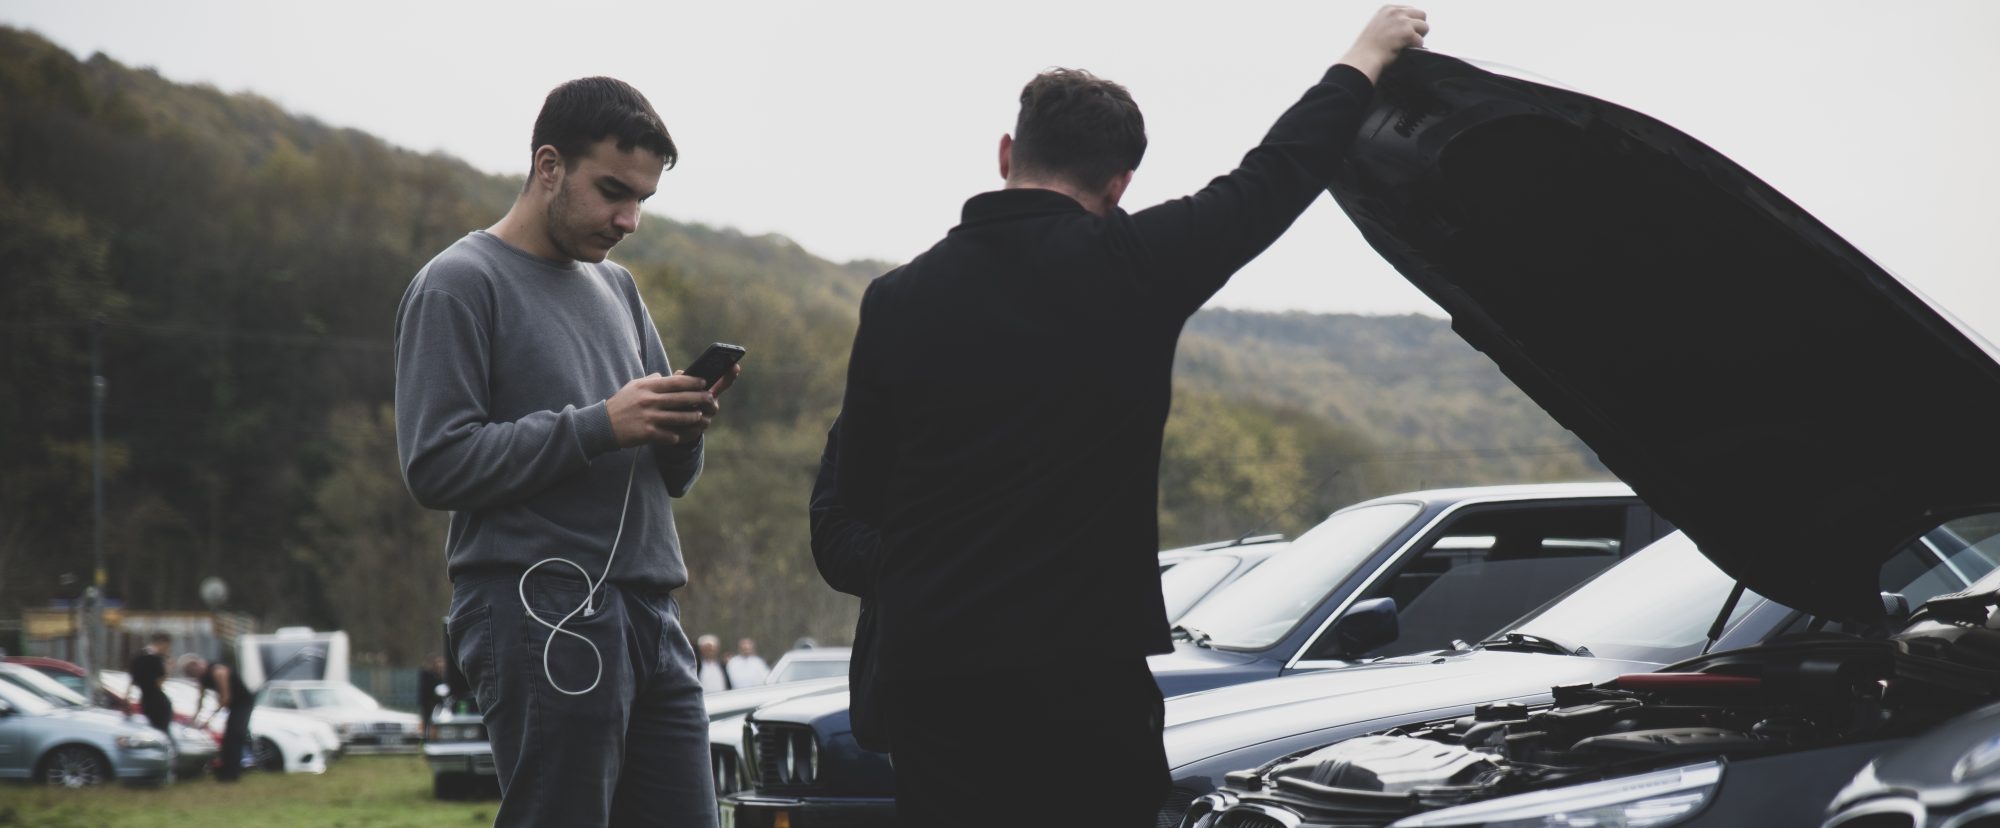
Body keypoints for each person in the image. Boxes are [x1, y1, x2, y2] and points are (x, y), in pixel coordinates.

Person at [823, 8, 1428, 826]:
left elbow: (852, 500)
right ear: (1119, 187)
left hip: (933, 683)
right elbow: (1277, 173)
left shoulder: (894, 299)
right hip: (1081, 680)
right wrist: (1364, 56)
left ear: (1006, 154)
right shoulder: (1134, 263)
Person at [394, 76, 739, 827]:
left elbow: (672, 477)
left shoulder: (620, 290)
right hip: (539, 609)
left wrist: (683, 426)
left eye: (642, 199)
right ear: (548, 166)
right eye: (614, 191)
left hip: (653, 613)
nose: (630, 219)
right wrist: (600, 425)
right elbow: (435, 464)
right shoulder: (457, 283)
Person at [190, 655, 255, 782]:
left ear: (200, 666)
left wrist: (209, 719)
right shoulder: (202, 678)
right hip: (232, 705)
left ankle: (233, 772)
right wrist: (194, 718)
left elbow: (226, 698)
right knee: (227, 737)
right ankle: (225, 770)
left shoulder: (218, 671)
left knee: (235, 735)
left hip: (243, 703)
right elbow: (200, 699)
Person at [125, 633, 173, 737]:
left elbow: (132, 679)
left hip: (145, 700)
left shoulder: (138, 656)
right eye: (167, 648)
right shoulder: (156, 660)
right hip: (157, 701)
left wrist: (127, 698)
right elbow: (159, 683)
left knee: (154, 730)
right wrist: (168, 668)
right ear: (162, 643)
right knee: (162, 732)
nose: (167, 651)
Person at [417, 653, 448, 722]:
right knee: (427, 720)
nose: (441, 664)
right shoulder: (427, 674)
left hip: (439, 702)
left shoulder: (442, 674)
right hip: (429, 702)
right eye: (439, 662)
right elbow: (426, 689)